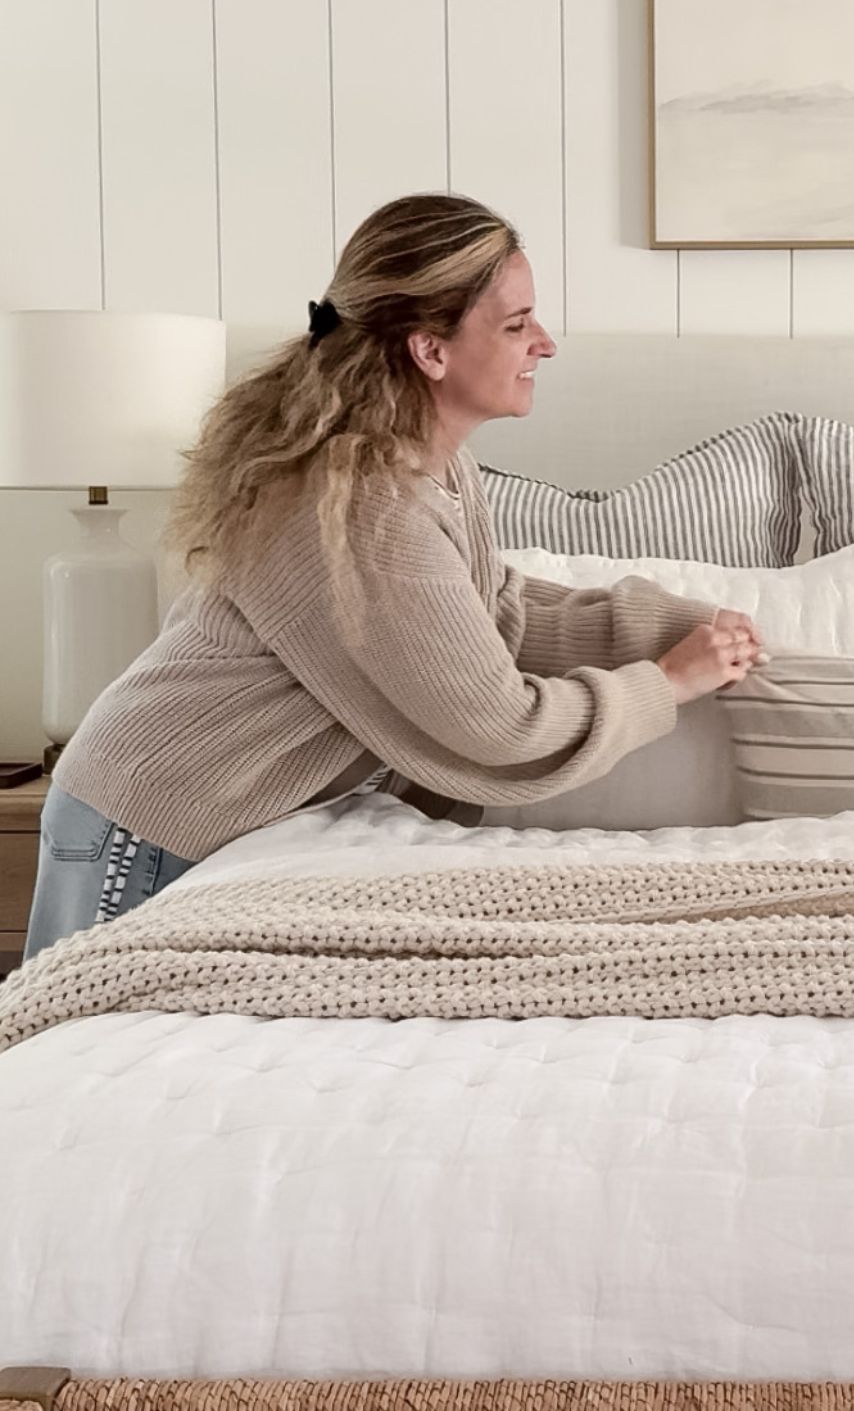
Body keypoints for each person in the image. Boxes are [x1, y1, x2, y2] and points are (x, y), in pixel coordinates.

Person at [24, 193, 764, 960]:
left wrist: (675, 622)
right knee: (76, 1062)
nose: (544, 343)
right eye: (516, 325)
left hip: (198, 815)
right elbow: (499, 729)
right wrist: (668, 683)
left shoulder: (432, 467)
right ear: (429, 350)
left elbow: (494, 615)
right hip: (149, 821)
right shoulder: (359, 505)